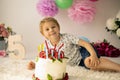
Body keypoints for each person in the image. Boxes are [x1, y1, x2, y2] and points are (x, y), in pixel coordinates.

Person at [27, 17, 120, 72]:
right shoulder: (46, 46)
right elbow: (45, 60)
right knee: (93, 67)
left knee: (90, 62)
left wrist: (93, 54)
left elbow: (85, 43)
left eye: (53, 27)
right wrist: (35, 65)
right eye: (47, 29)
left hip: (82, 52)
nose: (51, 30)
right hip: (78, 63)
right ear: (43, 34)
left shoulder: (67, 37)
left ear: (58, 28)